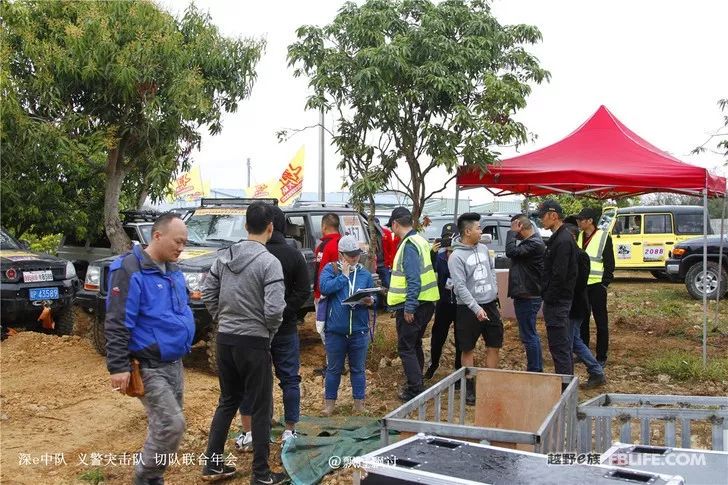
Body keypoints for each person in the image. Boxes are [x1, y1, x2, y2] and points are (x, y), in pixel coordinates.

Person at [105, 213, 195, 485]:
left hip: (174, 362)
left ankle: (152, 477)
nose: (181, 248)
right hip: (147, 365)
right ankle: (147, 478)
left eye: (184, 243)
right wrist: (118, 365)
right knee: (172, 425)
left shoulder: (173, 269)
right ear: (157, 236)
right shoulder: (129, 269)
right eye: (178, 241)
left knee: (164, 424)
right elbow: (118, 319)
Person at [200, 202, 287, 485]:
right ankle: (261, 474)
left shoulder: (224, 257)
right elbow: (274, 310)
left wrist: (221, 317)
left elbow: (207, 291)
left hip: (225, 341)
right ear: (270, 228)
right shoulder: (269, 263)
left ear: (246, 226)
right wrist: (268, 333)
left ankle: (212, 464)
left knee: (227, 401)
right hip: (254, 341)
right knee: (261, 407)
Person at [235, 206, 311, 452]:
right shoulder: (292, 254)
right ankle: (290, 430)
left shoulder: (246, 254)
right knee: (289, 379)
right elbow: (303, 291)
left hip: (254, 329)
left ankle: (249, 432)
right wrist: (285, 312)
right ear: (278, 225)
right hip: (285, 329)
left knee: (252, 380)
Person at [386, 206, 439, 402]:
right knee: (414, 343)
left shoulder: (409, 244)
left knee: (406, 347)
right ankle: (418, 384)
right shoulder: (420, 240)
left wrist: (409, 307)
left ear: (395, 224)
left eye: (392, 227)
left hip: (413, 305)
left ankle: (415, 389)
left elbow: (413, 278)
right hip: (426, 302)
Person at [448, 213, 503, 406]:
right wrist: (475, 308)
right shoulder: (456, 257)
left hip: (490, 303)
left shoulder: (483, 249)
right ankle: (470, 387)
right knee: (468, 348)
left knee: (494, 345)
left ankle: (490, 384)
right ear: (467, 231)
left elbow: (491, 271)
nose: (481, 231)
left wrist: (494, 292)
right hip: (468, 309)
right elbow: (460, 287)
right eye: (478, 228)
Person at [318, 235, 375, 415]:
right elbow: (324, 288)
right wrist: (343, 276)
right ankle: (329, 405)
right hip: (335, 330)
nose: (354, 258)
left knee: (358, 369)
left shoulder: (364, 274)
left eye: (356, 254)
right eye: (350, 255)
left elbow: (374, 296)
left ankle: (359, 404)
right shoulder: (331, 269)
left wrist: (370, 300)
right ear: (341, 254)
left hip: (359, 330)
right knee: (333, 369)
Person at [538, 199, 578, 376]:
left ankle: (564, 386)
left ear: (553, 216)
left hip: (558, 301)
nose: (541, 220)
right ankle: (564, 383)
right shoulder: (560, 238)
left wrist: (549, 297)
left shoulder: (562, 240)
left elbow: (559, 274)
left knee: (560, 346)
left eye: (542, 216)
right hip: (558, 299)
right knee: (559, 345)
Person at [564, 223, 607, 389]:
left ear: (572, 237)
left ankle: (594, 371)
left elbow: (577, 283)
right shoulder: (574, 254)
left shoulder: (578, 256)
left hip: (575, 305)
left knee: (571, 341)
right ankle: (596, 371)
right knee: (574, 340)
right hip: (575, 304)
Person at [575, 207, 615, 368]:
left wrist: (605, 283)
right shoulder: (579, 236)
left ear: (590, 221)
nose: (578, 222)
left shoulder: (604, 237)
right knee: (583, 321)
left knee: (601, 322)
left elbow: (610, 263)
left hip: (597, 286)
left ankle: (601, 356)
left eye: (581, 219)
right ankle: (584, 352)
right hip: (582, 286)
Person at [506, 214, 546, 373]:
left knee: (529, 335)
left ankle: (535, 370)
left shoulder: (534, 243)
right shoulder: (531, 242)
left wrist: (510, 234)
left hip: (529, 296)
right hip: (527, 295)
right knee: (530, 334)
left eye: (513, 228)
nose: (512, 231)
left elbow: (511, 252)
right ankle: (536, 368)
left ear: (520, 226)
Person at [424, 223, 461, 380]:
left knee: (461, 336)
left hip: (460, 303)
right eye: (445, 239)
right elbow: (428, 269)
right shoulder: (439, 257)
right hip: (444, 302)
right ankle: (434, 364)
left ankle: (459, 368)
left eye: (451, 238)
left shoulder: (461, 255)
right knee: (438, 335)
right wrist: (431, 253)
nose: (448, 242)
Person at [313, 213, 342, 374]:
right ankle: (335, 363)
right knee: (333, 330)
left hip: (325, 295)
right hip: (338, 293)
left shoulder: (325, 246)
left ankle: (333, 365)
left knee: (325, 330)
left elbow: (320, 272)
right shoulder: (342, 244)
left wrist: (317, 294)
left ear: (324, 227)